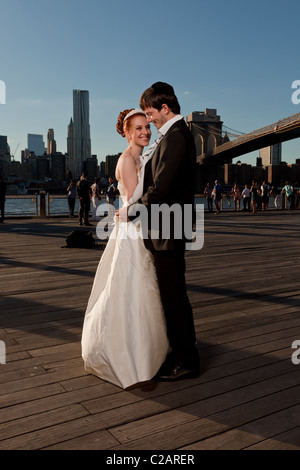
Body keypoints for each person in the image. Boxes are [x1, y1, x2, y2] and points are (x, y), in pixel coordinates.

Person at [81, 108, 169, 389]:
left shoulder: (139, 157)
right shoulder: (129, 160)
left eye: (147, 127)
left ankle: (143, 348)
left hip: (132, 226)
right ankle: (133, 355)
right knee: (134, 286)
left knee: (136, 287)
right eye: (138, 128)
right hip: (132, 229)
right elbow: (134, 204)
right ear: (127, 133)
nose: (145, 132)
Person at [120, 82, 200, 381]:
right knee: (171, 294)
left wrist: (132, 209)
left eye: (152, 113)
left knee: (174, 296)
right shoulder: (172, 136)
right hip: (166, 226)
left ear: (165, 108)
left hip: (168, 227)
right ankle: (180, 352)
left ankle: (187, 361)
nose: (150, 119)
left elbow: (161, 187)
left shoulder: (177, 137)